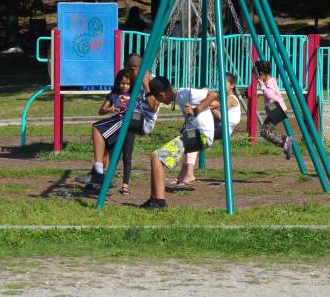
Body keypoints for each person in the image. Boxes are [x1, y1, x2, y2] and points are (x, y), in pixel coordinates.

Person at [77, 54, 159, 195]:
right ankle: (99, 174)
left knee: (98, 129)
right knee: (105, 142)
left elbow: (153, 107)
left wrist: (146, 85)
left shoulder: (149, 82)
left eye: (127, 71)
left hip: (140, 121)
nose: (126, 75)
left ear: (133, 69)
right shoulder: (138, 80)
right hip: (133, 117)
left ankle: (98, 172)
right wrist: (127, 98)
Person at [140, 76, 215, 209]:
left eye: (158, 99)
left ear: (162, 95)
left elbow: (212, 95)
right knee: (155, 156)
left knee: (157, 157)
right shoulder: (180, 97)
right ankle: (153, 199)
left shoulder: (185, 93)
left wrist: (195, 110)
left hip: (202, 135)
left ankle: (160, 202)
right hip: (194, 134)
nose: (159, 102)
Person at [171, 73, 241, 188]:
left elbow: (221, 113)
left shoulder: (231, 98)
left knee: (195, 136)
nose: (221, 86)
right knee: (188, 134)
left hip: (225, 128)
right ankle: (181, 175)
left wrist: (206, 106)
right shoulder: (223, 97)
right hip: (219, 126)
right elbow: (214, 104)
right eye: (220, 83)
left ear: (232, 85)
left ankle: (189, 174)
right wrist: (206, 104)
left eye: (224, 83)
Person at [254, 61, 293, 159]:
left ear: (261, 74)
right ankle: (284, 140)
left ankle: (284, 142)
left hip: (277, 109)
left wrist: (262, 86)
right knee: (265, 130)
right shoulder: (270, 80)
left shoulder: (269, 82)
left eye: (258, 75)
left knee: (264, 131)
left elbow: (272, 95)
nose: (257, 78)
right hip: (276, 108)